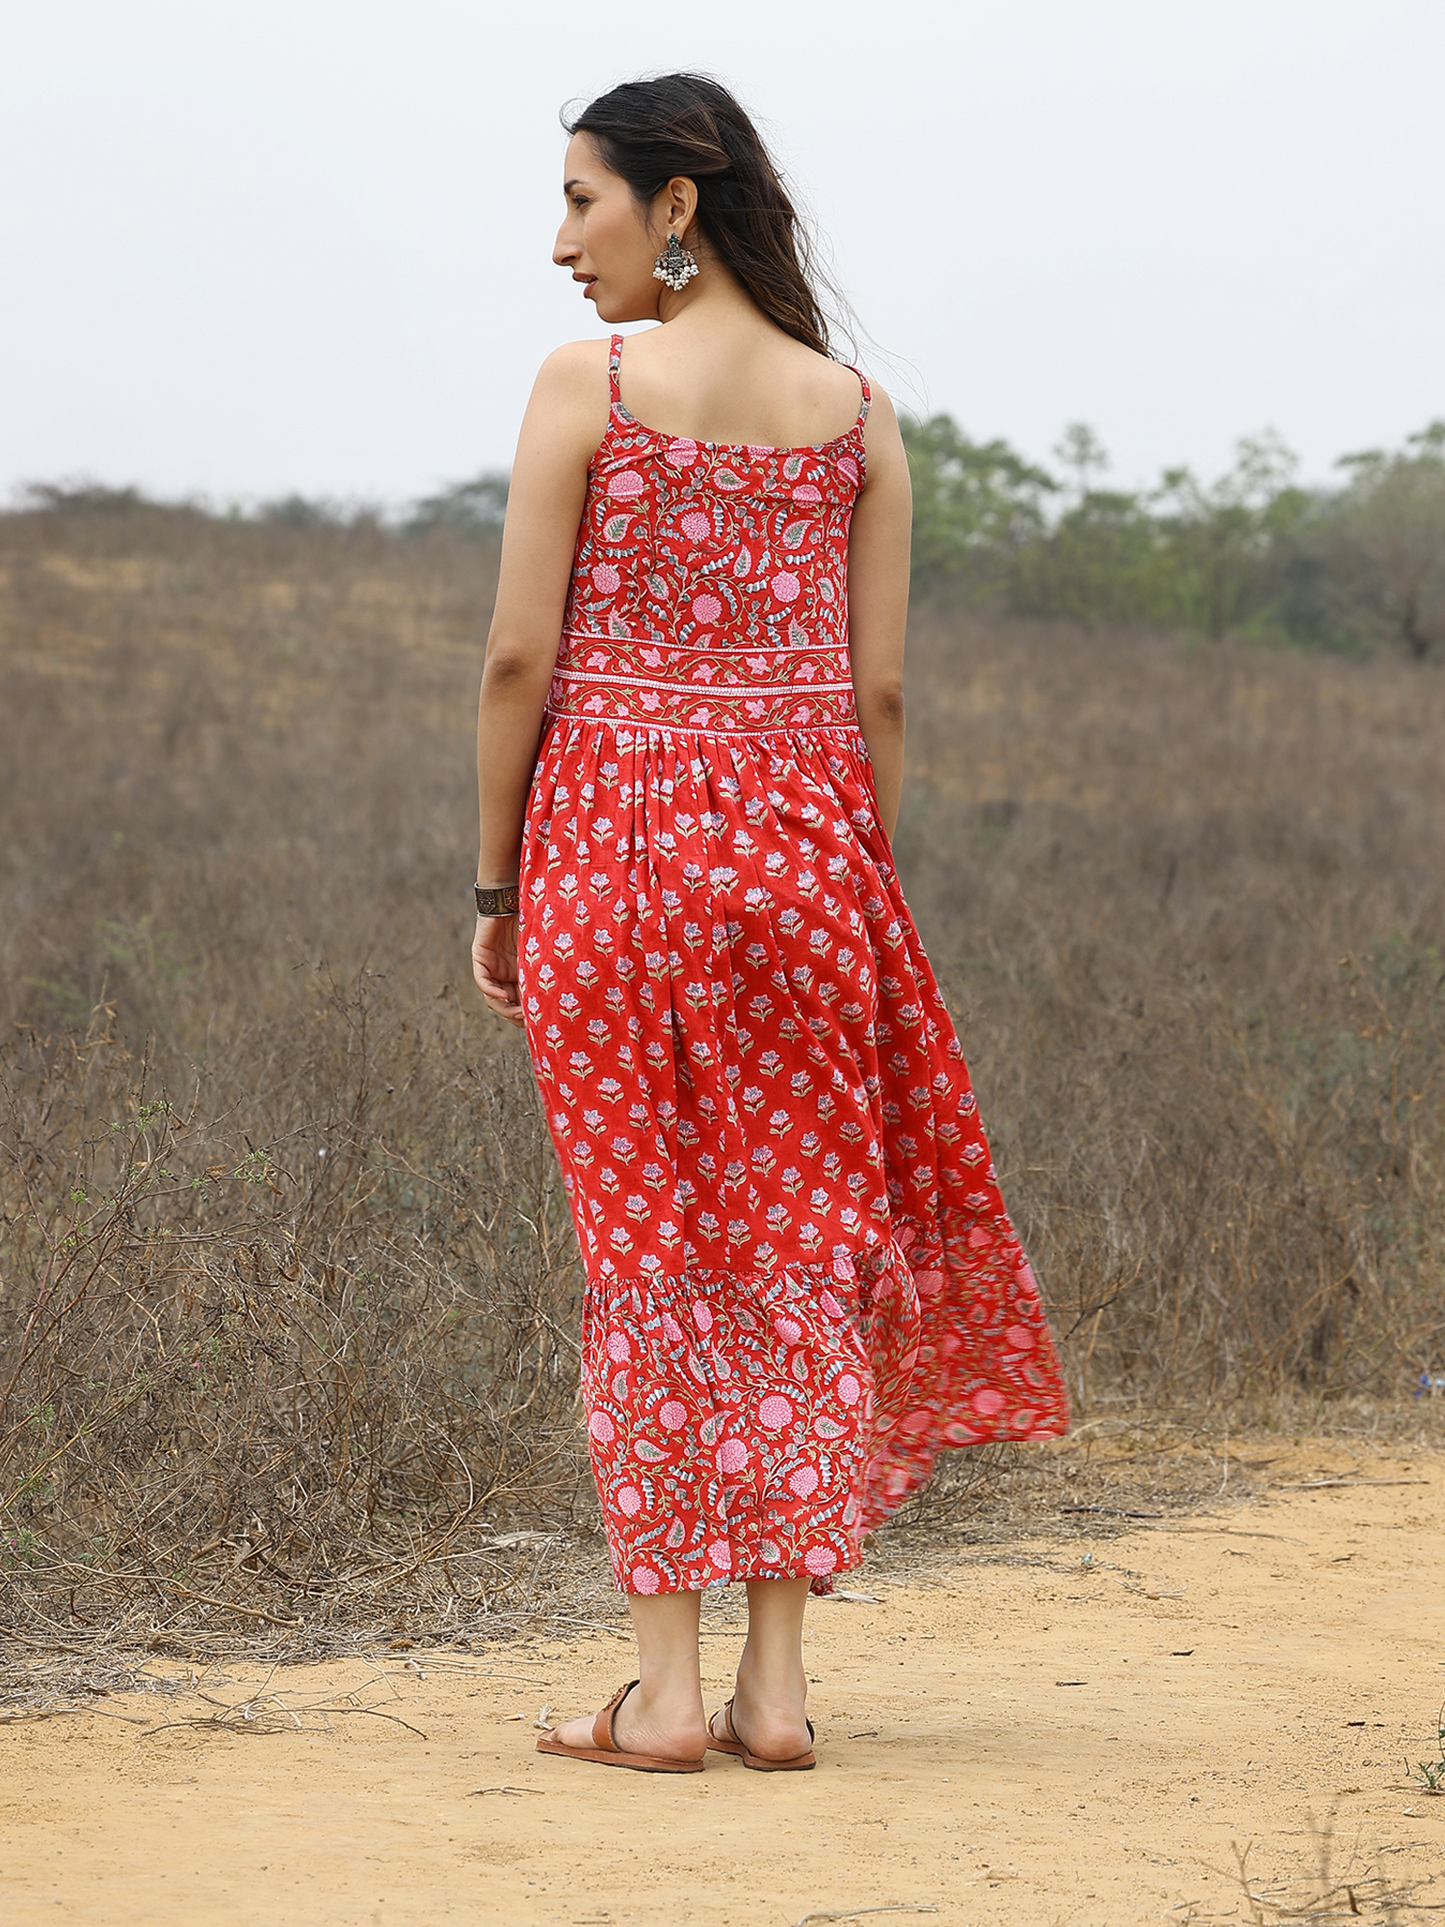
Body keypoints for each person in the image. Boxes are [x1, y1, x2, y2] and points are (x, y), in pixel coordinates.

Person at [472, 73, 1069, 1775]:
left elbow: (520, 659)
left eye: (583, 197)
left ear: (675, 205)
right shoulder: (862, 414)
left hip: (610, 858)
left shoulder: (589, 386)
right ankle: (777, 1688)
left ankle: (662, 1694)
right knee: (798, 1251)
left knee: (649, 1255)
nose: (560, 237)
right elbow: (876, 687)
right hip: (811, 870)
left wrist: (499, 886)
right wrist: (852, 881)